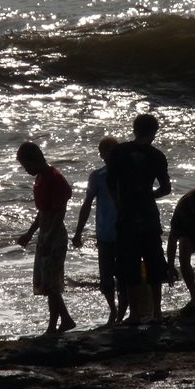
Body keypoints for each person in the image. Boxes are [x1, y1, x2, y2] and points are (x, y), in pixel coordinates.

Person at [106, 113, 171, 324]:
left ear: (134, 129)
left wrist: (119, 203)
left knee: (128, 264)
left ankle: (134, 314)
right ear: (154, 133)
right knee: (154, 261)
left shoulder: (119, 151)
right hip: (148, 214)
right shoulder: (157, 156)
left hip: (126, 214)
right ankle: (157, 313)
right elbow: (166, 188)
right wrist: (148, 195)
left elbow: (110, 183)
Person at [16, 141, 76, 335]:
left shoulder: (55, 178)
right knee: (47, 282)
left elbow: (59, 212)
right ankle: (55, 324)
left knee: (51, 283)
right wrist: (30, 233)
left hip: (55, 233)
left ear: (35, 160)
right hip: (45, 232)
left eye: (26, 166)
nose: (26, 171)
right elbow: (42, 212)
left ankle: (64, 320)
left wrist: (49, 237)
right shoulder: (41, 177)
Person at [72, 136, 127, 327]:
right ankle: (113, 311)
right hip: (104, 233)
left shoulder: (126, 174)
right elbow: (87, 204)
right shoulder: (97, 176)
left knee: (125, 276)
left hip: (125, 233)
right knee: (106, 278)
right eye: (107, 151)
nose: (111, 155)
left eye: (114, 150)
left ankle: (121, 314)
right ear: (101, 154)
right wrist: (78, 232)